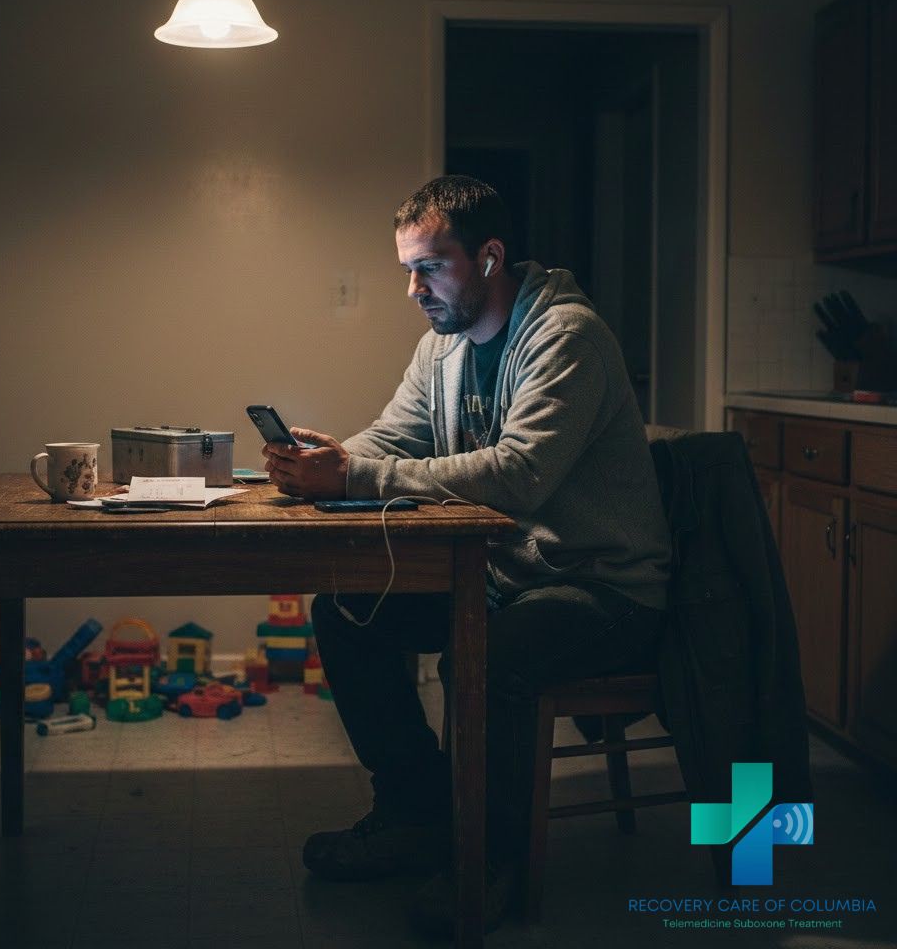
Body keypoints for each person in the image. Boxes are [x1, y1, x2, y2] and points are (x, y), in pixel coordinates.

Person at [261, 175, 671, 936]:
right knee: (349, 608)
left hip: (602, 587)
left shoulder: (567, 337)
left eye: (432, 266)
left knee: (491, 656)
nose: (414, 288)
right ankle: (418, 815)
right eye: (407, 270)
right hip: (509, 577)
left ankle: (491, 857)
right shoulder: (440, 348)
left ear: (488, 257)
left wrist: (352, 475)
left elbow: (521, 474)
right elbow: (393, 441)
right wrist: (331, 457)